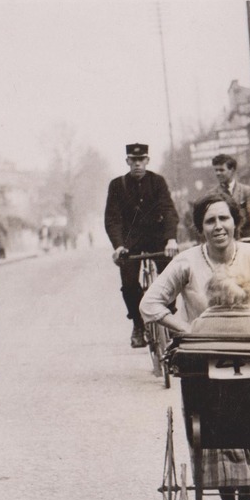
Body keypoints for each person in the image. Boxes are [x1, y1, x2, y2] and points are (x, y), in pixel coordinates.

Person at [140, 194, 250, 337]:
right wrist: (188, 330)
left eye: (224, 218)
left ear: (235, 222)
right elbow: (149, 304)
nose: (218, 226)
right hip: (204, 351)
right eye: (210, 221)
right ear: (200, 228)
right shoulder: (186, 262)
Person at [185, 274, 250, 500]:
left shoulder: (200, 325)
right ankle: (247, 493)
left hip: (215, 422)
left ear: (211, 297)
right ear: (244, 294)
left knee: (214, 429)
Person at [104, 142, 180, 350]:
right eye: (133, 160)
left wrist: (171, 239)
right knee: (128, 283)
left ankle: (170, 318)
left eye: (141, 159)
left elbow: (169, 211)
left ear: (147, 160)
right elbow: (112, 219)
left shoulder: (157, 182)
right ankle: (138, 325)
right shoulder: (117, 185)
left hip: (157, 236)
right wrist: (118, 246)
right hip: (131, 241)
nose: (137, 164)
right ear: (127, 161)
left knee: (170, 274)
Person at [210, 153, 250, 240]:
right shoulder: (212, 194)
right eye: (216, 170)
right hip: (224, 236)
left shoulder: (246, 190)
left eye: (221, 170)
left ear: (232, 170)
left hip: (246, 234)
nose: (218, 173)